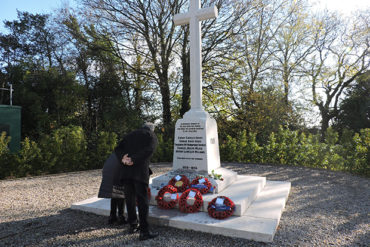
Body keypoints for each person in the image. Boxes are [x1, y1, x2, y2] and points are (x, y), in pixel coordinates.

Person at [115, 122, 158, 241]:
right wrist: (133, 160)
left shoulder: (130, 134)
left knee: (130, 199)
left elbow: (118, 149)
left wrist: (123, 159)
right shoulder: (151, 136)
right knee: (142, 201)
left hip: (126, 172)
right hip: (139, 173)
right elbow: (149, 150)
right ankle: (144, 231)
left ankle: (133, 225)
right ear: (152, 129)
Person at [98, 153, 127, 225]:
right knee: (121, 194)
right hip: (117, 172)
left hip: (110, 171)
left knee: (114, 194)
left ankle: (112, 217)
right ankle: (121, 217)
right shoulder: (125, 151)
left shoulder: (116, 152)